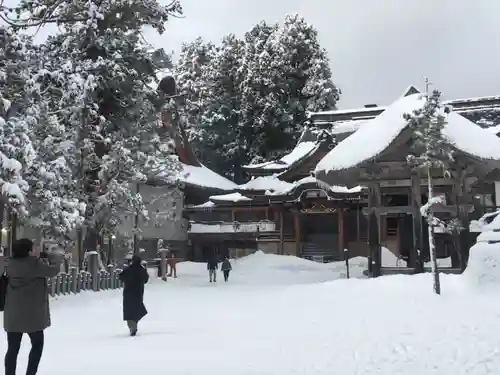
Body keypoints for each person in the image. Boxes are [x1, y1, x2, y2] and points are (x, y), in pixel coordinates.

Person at [3, 238, 61, 375]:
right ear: (29, 251)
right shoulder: (35, 265)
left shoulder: (9, 264)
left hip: (13, 314)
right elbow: (53, 271)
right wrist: (52, 256)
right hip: (33, 315)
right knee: (37, 345)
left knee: (12, 348)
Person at [119, 255, 149, 336]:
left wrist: (127, 280)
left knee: (129, 311)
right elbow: (146, 280)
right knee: (137, 309)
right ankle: (134, 324)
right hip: (138, 293)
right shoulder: (142, 270)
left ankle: (132, 327)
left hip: (128, 292)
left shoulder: (128, 269)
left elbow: (120, 276)